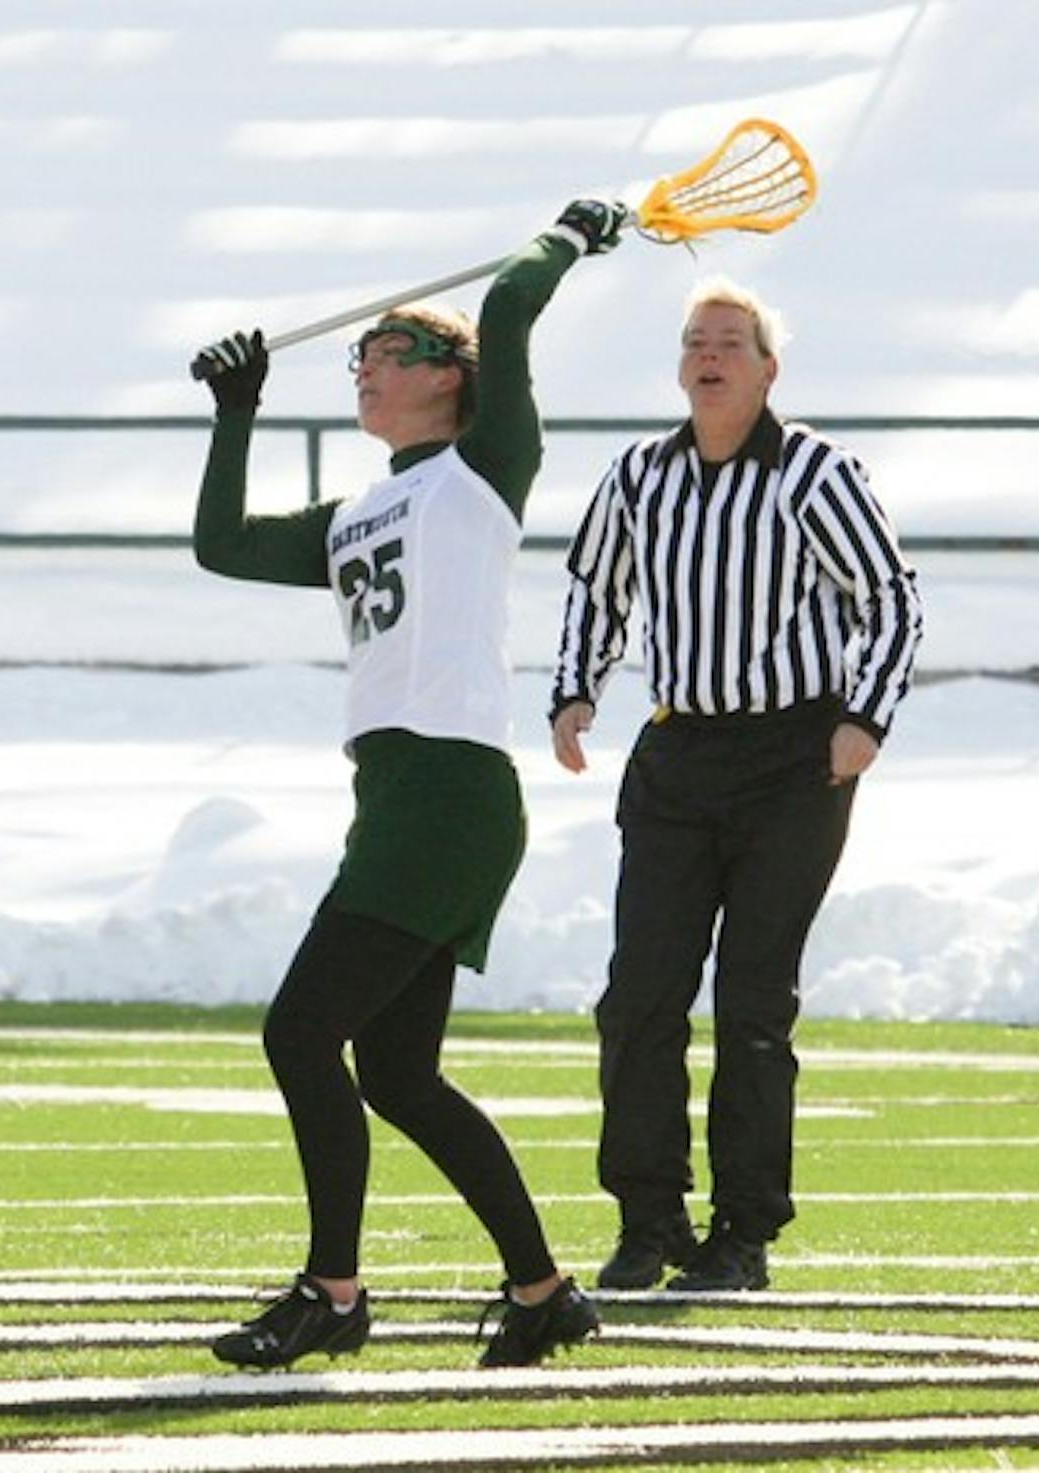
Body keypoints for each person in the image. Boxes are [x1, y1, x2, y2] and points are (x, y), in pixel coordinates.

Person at [189, 201, 626, 1371]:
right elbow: (220, 544)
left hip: (447, 798)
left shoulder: (484, 468)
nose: (367, 372)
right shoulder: (365, 507)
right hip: (395, 799)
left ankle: (331, 1292)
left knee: (298, 1035)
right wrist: (236, 415)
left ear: (452, 379)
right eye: (362, 357)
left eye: (391, 354)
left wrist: (566, 237)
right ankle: (540, 1293)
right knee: (393, 1072)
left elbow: (507, 306)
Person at [549, 278, 924, 1292]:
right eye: (693, 342)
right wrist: (573, 693)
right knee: (637, 997)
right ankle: (645, 1218)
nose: (708, 356)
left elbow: (888, 597)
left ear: (767, 368)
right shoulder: (638, 475)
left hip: (790, 762)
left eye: (729, 341)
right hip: (675, 755)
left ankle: (742, 1233)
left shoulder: (812, 472)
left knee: (751, 1003)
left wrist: (863, 719)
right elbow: (595, 588)